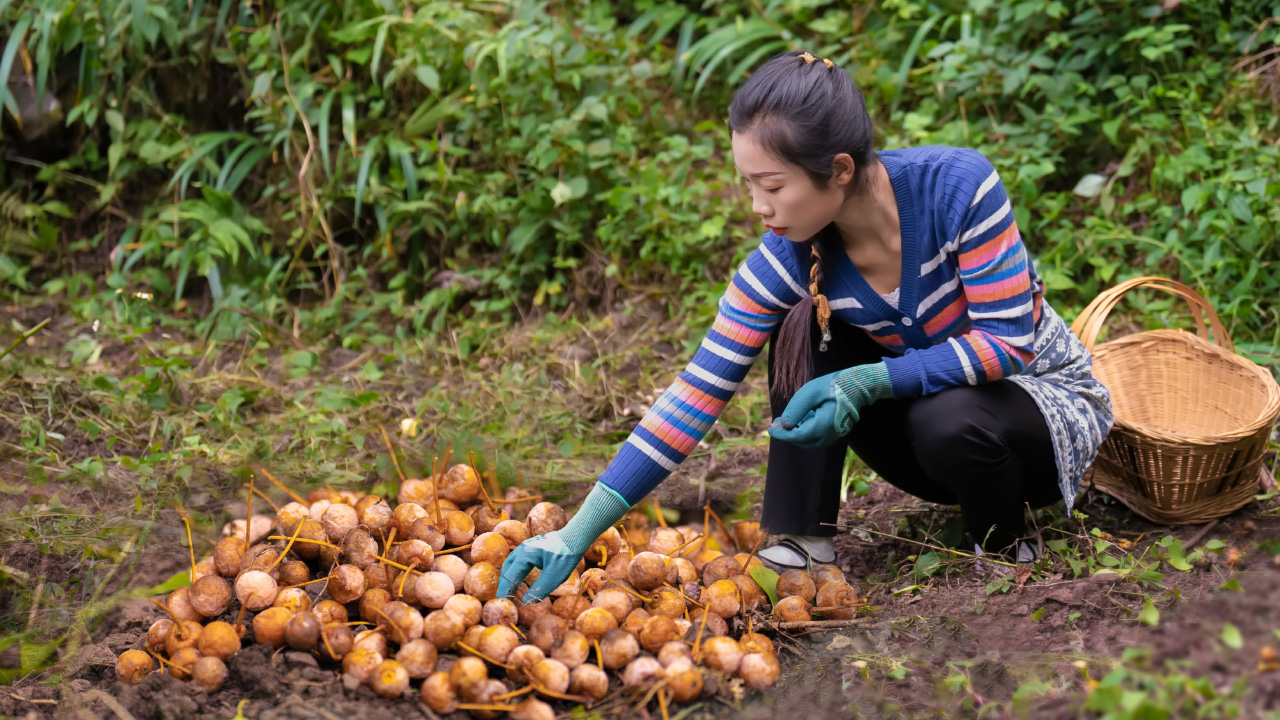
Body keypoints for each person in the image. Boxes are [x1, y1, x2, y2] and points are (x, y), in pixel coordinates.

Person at [496, 50, 1114, 602]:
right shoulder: (791, 255)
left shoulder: (956, 188)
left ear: (839, 170)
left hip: (1038, 414)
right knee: (804, 327)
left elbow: (1006, 344)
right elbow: (695, 393)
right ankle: (801, 540)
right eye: (748, 185)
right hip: (932, 446)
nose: (758, 207)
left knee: (944, 415)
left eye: (772, 186)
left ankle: (1004, 544)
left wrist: (870, 380)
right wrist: (576, 532)